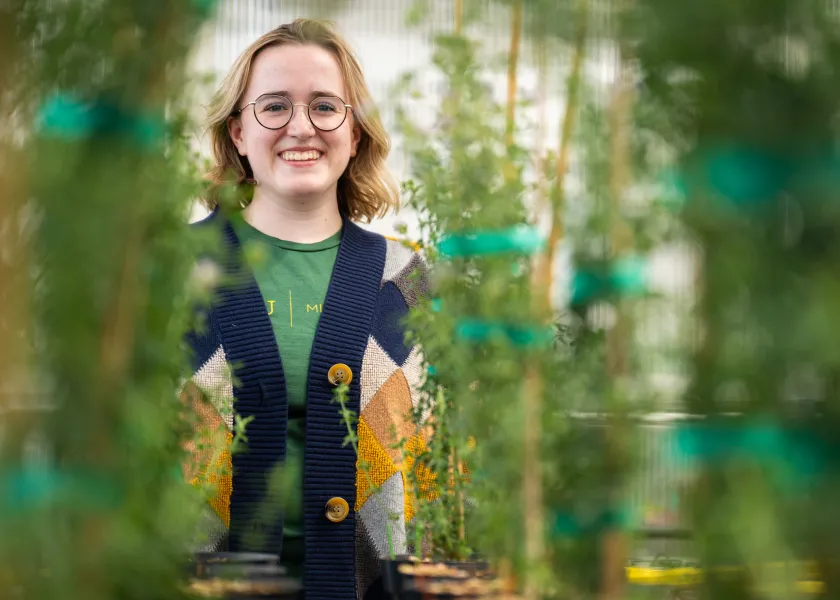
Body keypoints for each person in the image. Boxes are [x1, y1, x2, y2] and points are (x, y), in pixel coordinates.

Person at [183, 19, 428, 600]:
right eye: (274, 107)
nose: (301, 127)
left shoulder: (412, 284)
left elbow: (447, 480)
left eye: (325, 106)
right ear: (238, 131)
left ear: (357, 132)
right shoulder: (164, 276)